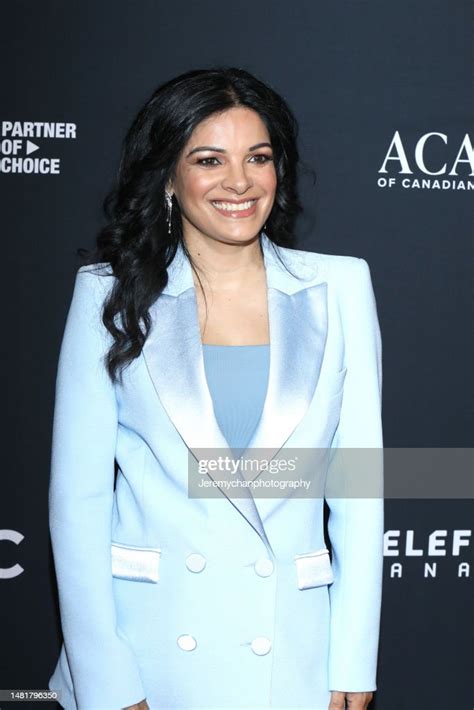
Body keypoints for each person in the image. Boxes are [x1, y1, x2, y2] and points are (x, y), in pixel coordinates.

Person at [47, 66, 384, 710]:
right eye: (209, 159)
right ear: (170, 176)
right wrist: (107, 681)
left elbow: (358, 489)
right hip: (148, 649)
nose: (239, 182)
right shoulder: (109, 294)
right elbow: (80, 501)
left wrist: (353, 659)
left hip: (292, 651)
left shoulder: (340, 288)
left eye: (257, 157)